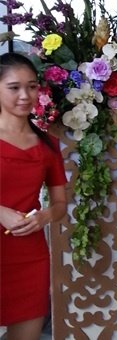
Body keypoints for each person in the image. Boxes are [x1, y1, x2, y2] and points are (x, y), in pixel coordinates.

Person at [0, 53, 67, 339]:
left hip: (30, 255)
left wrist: (44, 217)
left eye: (31, 86)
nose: (25, 95)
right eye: (14, 87)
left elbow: (61, 204)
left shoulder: (49, 145)